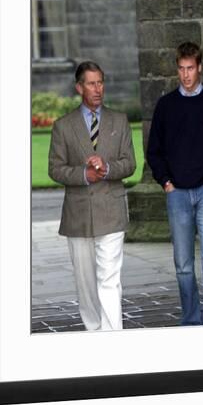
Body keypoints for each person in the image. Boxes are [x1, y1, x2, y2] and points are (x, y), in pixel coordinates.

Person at [147, 41, 203, 325]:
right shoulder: (166, 106)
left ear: (199, 67)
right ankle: (190, 320)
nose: (185, 74)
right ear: (177, 69)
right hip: (177, 194)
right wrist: (167, 184)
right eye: (181, 69)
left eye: (190, 68)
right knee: (184, 265)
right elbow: (154, 151)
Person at [48, 61, 136, 331]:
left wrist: (107, 168)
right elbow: (55, 169)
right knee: (86, 283)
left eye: (100, 82)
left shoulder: (119, 121)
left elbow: (130, 163)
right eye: (91, 83)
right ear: (79, 87)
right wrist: (84, 174)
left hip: (111, 211)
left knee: (109, 280)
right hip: (78, 215)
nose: (98, 89)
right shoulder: (63, 126)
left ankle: (112, 339)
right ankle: (94, 334)